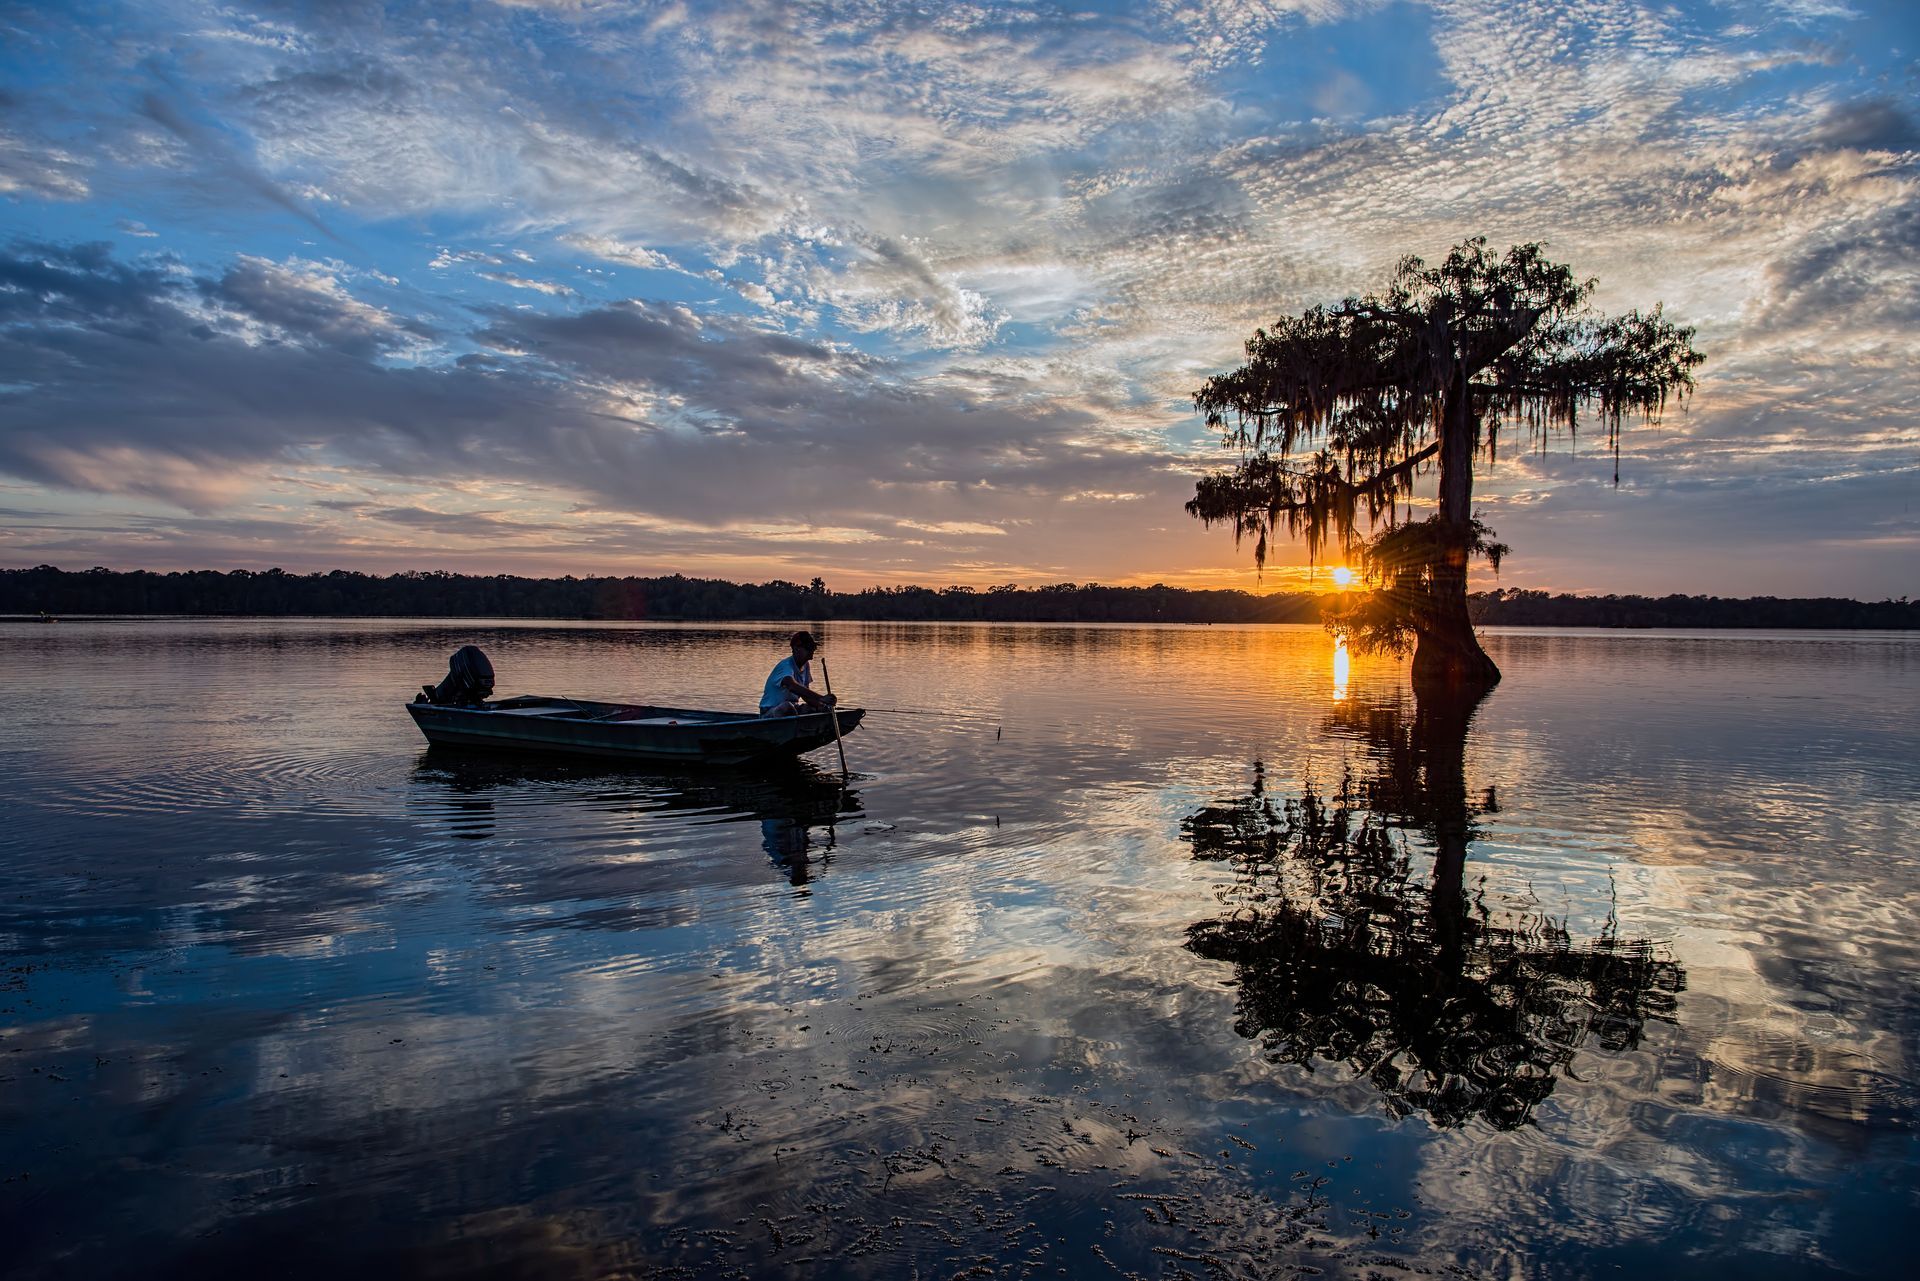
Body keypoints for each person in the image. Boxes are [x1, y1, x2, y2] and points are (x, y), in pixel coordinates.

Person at [759, 630, 837, 717]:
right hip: (771, 712)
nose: (812, 650)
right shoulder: (786, 666)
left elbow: (806, 696)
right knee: (787, 707)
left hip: (793, 710)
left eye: (813, 647)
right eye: (808, 647)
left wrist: (822, 704)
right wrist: (821, 698)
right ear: (796, 649)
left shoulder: (806, 665)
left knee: (814, 708)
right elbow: (791, 685)